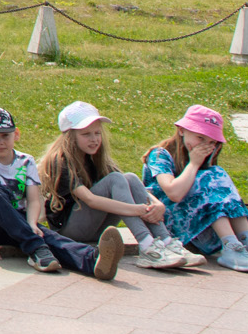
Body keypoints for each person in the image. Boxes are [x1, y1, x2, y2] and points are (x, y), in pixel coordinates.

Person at [0, 106, 119, 279]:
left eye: (5, 135)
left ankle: (93, 260)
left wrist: (32, 224)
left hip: (19, 223)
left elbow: (34, 199)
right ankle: (37, 248)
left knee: (49, 237)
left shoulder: (26, 161)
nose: (0, 142)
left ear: (16, 134)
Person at [40, 101, 193, 271]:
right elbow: (90, 200)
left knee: (130, 178)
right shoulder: (60, 160)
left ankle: (167, 241)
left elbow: (127, 184)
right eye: (86, 134)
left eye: (97, 133)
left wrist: (157, 204)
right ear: (70, 136)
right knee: (116, 179)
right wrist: (136, 210)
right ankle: (147, 246)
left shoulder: (95, 157)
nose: (94, 139)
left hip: (93, 227)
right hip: (69, 230)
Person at [141, 104, 248, 271]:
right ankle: (231, 247)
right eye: (200, 138)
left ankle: (247, 241)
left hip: (200, 224)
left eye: (211, 142)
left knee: (217, 174)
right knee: (210, 175)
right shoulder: (160, 155)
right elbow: (173, 193)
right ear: (181, 130)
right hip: (171, 226)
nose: (204, 145)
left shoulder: (204, 159)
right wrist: (194, 164)